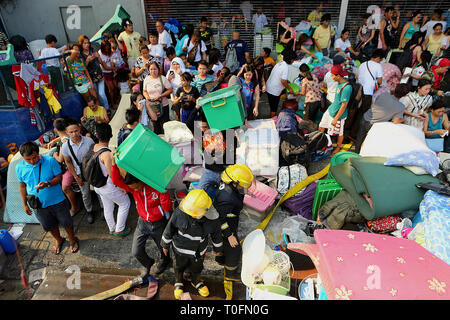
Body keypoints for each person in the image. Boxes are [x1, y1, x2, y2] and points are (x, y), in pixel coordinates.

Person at [110, 157, 173, 277]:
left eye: (137, 187)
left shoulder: (156, 187)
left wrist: (163, 192)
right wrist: (113, 165)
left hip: (159, 223)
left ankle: (165, 262)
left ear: (141, 180)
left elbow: (167, 207)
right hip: (142, 223)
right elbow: (117, 181)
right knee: (136, 251)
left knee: (163, 248)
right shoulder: (133, 189)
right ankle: (149, 263)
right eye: (133, 188)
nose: (135, 190)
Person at [17, 141, 79, 254]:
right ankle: (59, 240)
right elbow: (22, 186)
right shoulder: (19, 167)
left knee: (67, 222)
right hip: (38, 204)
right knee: (48, 225)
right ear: (23, 157)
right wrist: (24, 204)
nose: (32, 161)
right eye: (28, 159)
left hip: (57, 200)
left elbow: (59, 177)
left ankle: (72, 239)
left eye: (34, 158)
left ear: (38, 153)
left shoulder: (50, 161)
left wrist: (48, 184)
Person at [161, 189, 223, 299]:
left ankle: (196, 281)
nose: (192, 215)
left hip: (198, 252)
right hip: (179, 249)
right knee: (178, 267)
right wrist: (165, 244)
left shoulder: (213, 220)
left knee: (197, 267)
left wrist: (218, 249)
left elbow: (216, 235)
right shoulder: (180, 211)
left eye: (196, 214)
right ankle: (178, 282)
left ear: (206, 210)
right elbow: (169, 228)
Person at [213, 164, 254, 300]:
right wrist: (229, 235)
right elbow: (220, 219)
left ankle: (220, 258)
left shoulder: (227, 185)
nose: (244, 188)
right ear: (235, 183)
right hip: (225, 226)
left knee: (221, 247)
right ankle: (229, 275)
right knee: (234, 249)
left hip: (227, 219)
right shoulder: (227, 198)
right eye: (242, 185)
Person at [92, 123, 131, 237]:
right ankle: (119, 229)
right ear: (111, 135)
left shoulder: (94, 148)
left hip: (98, 186)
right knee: (125, 203)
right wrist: (123, 187)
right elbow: (113, 175)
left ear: (97, 136)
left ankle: (112, 228)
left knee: (108, 206)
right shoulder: (107, 154)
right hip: (108, 186)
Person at [355, 83, 409, 153]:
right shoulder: (401, 106)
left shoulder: (384, 94)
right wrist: (403, 119)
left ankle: (356, 153)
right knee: (370, 143)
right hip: (374, 126)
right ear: (404, 95)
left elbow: (376, 103)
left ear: (395, 89)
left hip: (366, 117)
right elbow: (395, 121)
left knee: (359, 138)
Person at [61, 118, 95, 224]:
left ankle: (104, 209)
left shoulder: (89, 141)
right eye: (71, 132)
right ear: (67, 133)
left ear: (80, 129)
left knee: (99, 191)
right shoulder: (65, 146)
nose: (74, 134)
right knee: (85, 194)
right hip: (80, 173)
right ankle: (89, 211)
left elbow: (95, 156)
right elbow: (68, 162)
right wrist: (76, 177)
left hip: (93, 171)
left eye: (76, 131)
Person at [318, 65, 352, 154]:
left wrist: (336, 118)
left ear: (338, 76)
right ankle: (320, 143)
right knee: (321, 126)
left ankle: (338, 148)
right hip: (331, 110)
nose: (331, 77)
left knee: (339, 133)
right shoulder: (339, 83)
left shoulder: (347, 88)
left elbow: (344, 105)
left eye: (333, 75)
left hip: (339, 116)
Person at [353, 49, 384, 140]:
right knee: (363, 114)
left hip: (358, 91)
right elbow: (380, 81)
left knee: (355, 112)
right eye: (380, 59)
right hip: (367, 92)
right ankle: (356, 134)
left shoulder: (362, 64)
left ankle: (351, 132)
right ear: (378, 58)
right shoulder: (378, 66)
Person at [50, 118, 79, 216]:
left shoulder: (64, 142)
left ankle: (74, 207)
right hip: (72, 166)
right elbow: (62, 137)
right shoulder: (68, 136)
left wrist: (54, 155)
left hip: (69, 168)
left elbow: (60, 159)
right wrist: (54, 141)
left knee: (65, 188)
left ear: (55, 129)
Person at [79, 35, 110, 110]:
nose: (87, 45)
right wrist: (87, 61)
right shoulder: (80, 55)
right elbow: (82, 69)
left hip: (99, 76)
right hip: (91, 79)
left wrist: (98, 56)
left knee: (102, 94)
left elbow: (100, 62)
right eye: (84, 43)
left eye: (88, 43)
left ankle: (107, 108)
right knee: (96, 96)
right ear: (81, 44)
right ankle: (102, 110)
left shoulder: (92, 50)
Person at [142, 61, 173, 134]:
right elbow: (144, 91)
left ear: (158, 69)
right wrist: (147, 97)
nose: (153, 71)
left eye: (155, 69)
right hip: (152, 106)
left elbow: (170, 90)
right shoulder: (147, 79)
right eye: (151, 69)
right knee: (155, 125)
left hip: (163, 105)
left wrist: (160, 96)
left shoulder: (163, 78)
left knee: (165, 125)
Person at [266, 49, 296, 118]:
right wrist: (290, 88)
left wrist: (286, 81)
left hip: (270, 86)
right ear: (290, 59)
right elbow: (283, 81)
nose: (293, 61)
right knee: (274, 108)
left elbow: (280, 76)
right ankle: (272, 121)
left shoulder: (280, 62)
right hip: (274, 90)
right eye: (293, 60)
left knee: (273, 105)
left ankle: (274, 117)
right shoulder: (285, 67)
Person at [98, 39, 119, 109]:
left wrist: (115, 69)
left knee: (116, 87)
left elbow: (115, 61)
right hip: (106, 73)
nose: (107, 50)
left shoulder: (112, 52)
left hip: (113, 72)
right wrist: (116, 68)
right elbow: (106, 67)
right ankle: (112, 104)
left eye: (108, 48)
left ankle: (116, 101)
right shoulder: (100, 53)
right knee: (111, 89)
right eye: (105, 49)